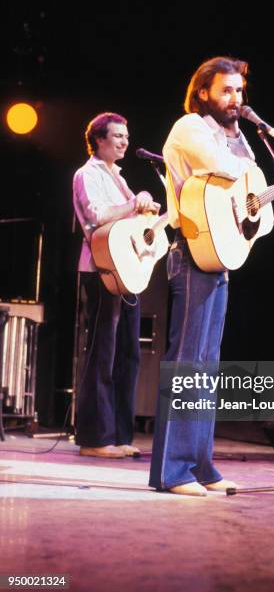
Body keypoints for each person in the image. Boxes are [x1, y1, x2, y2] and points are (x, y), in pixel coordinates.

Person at [149, 57, 256, 495]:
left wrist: (237, 134)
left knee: (207, 368)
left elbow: (253, 175)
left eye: (239, 91)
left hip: (216, 254)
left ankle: (201, 465)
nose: (235, 99)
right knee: (188, 363)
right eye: (226, 91)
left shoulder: (233, 132)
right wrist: (232, 137)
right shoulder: (190, 127)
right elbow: (229, 169)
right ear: (204, 93)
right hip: (190, 251)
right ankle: (172, 471)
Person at [73, 112, 156, 458]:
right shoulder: (86, 174)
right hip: (102, 269)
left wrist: (146, 204)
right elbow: (95, 216)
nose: (124, 141)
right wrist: (131, 204)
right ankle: (95, 438)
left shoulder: (118, 176)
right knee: (103, 354)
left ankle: (120, 434)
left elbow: (130, 219)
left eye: (126, 135)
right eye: (118, 136)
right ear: (100, 140)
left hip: (126, 270)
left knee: (129, 354)